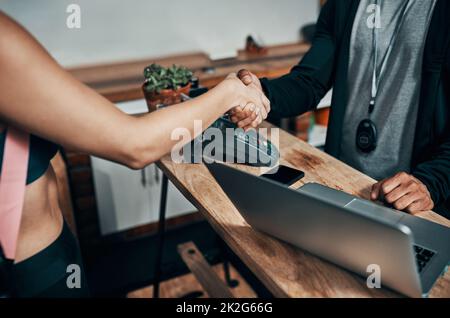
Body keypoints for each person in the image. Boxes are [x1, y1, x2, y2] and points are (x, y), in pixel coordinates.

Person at [0, 12, 269, 297]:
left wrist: (210, 107)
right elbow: (134, 145)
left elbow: (96, 127)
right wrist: (228, 91)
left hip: (49, 254)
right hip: (27, 274)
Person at [232, 0, 450, 218]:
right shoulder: (342, 5)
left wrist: (430, 182)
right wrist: (263, 92)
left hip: (410, 205)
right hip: (344, 184)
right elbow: (309, 81)